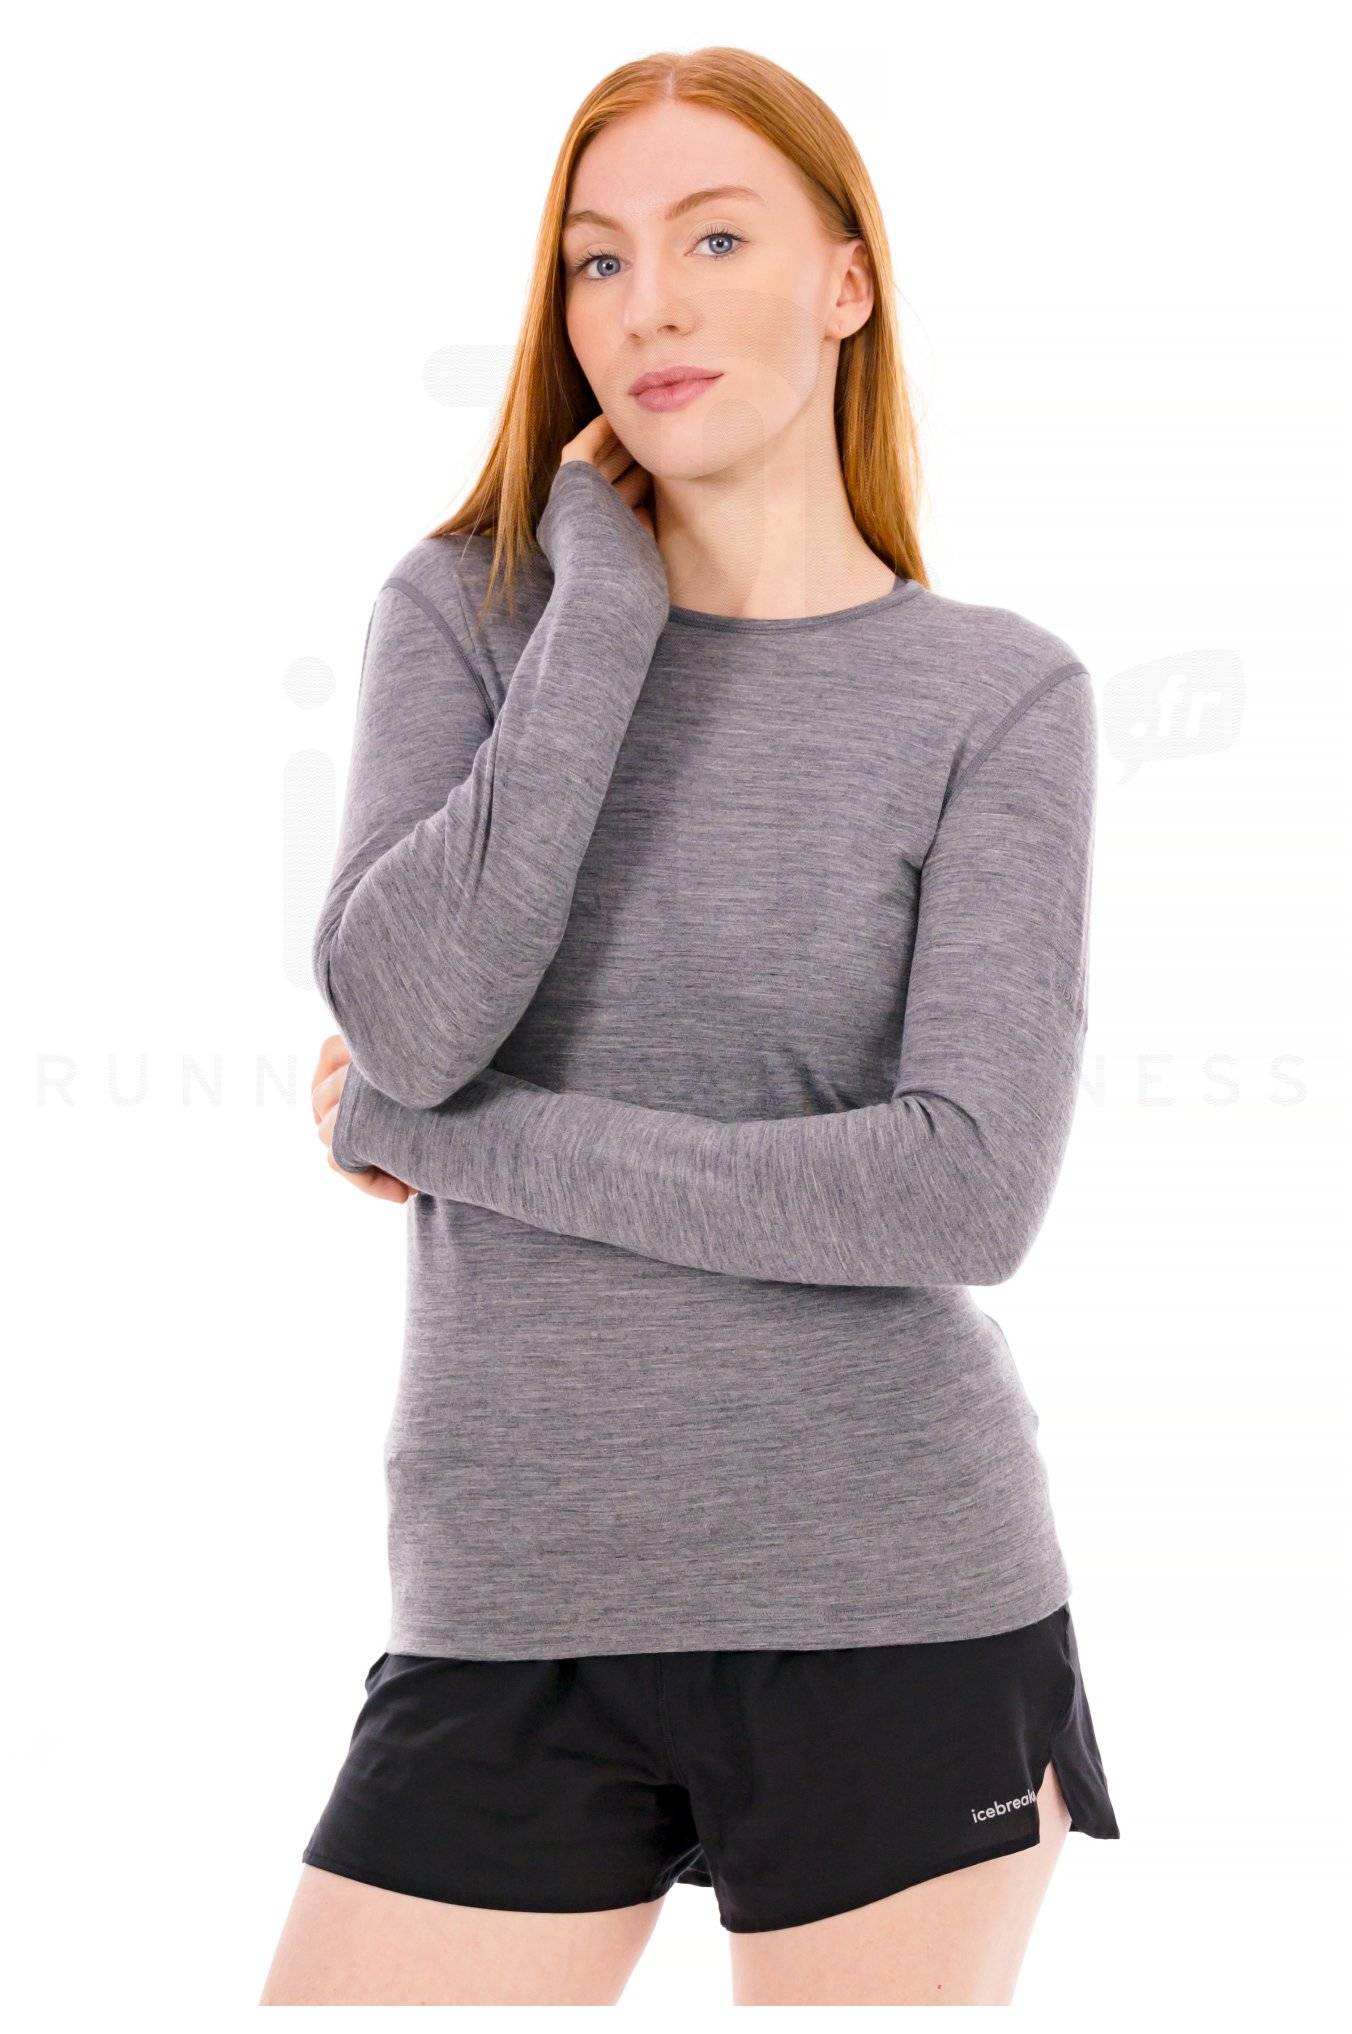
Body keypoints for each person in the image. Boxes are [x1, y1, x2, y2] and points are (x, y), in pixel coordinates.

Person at [260, 47, 1119, 2008]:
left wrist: (436, 1134)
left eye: (714, 238)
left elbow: (960, 1195)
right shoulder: (468, 616)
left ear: (845, 281)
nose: (646, 302)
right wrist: (601, 603)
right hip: (504, 1610)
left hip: (896, 1602)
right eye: (597, 258)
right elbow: (411, 1011)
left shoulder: (995, 697)